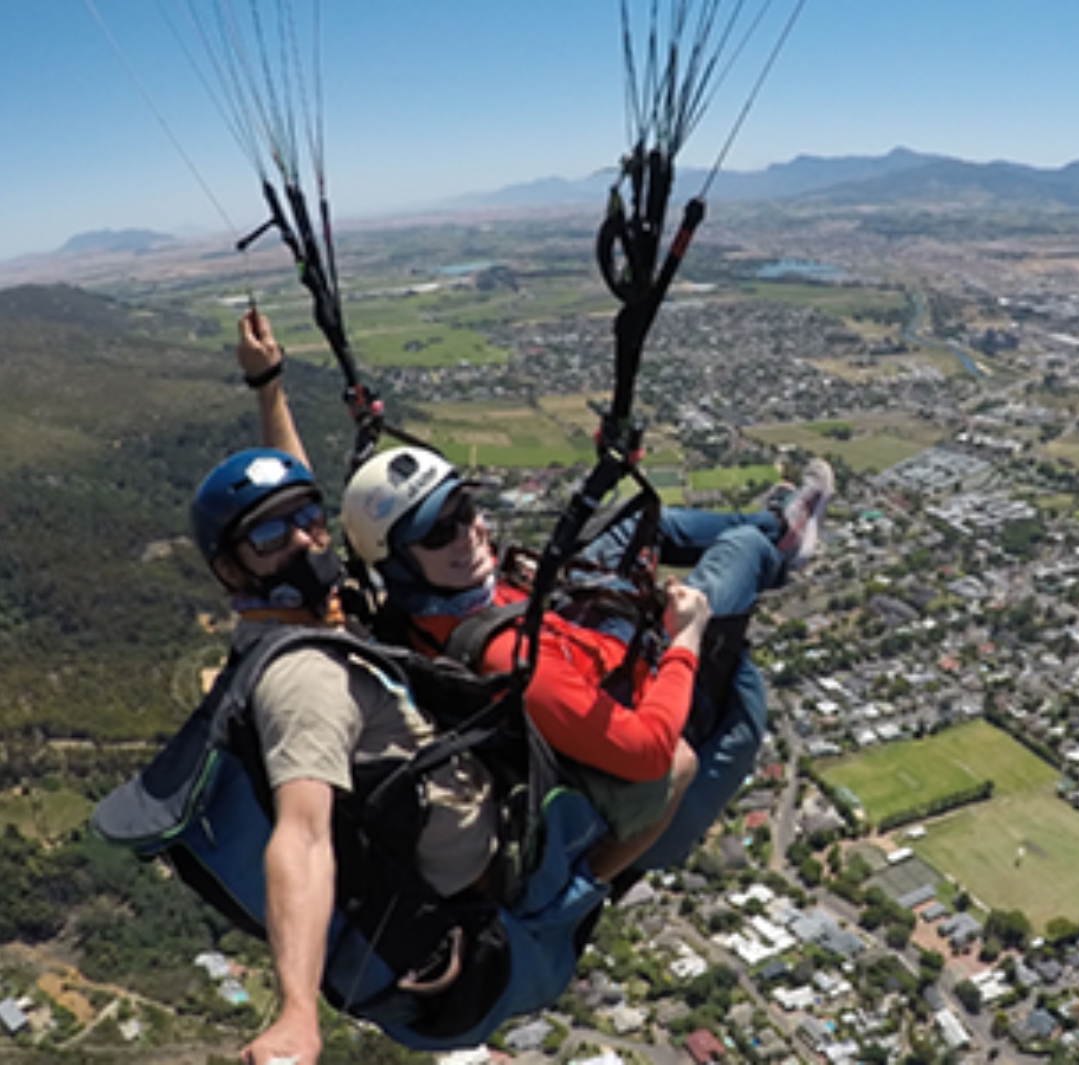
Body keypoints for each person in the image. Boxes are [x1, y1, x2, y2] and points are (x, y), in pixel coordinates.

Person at [238, 308, 834, 877]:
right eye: (439, 530)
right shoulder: (508, 661)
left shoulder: (408, 606)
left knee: (630, 523)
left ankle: (772, 526)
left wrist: (268, 386)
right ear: (401, 563)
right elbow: (651, 751)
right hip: (643, 701)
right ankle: (775, 543)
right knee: (740, 558)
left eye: (466, 508)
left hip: (580, 642)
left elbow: (306, 520)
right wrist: (686, 638)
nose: (469, 532)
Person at [189, 444, 502, 1065]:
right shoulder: (303, 677)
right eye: (271, 537)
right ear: (230, 570)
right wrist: (297, 1013)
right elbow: (301, 836)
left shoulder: (307, 616)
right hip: (476, 907)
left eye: (310, 519)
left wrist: (269, 385)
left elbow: (294, 499)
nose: (305, 543)